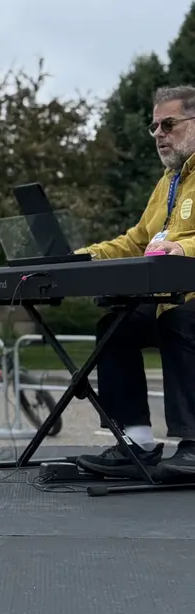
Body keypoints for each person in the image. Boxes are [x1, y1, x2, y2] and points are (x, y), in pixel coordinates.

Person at [76, 86, 195, 481]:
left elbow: (174, 245)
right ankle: (136, 442)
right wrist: (82, 256)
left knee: (178, 321)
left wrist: (182, 248)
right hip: (173, 294)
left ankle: (193, 445)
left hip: (186, 302)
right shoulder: (168, 181)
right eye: (154, 126)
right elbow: (136, 241)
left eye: (168, 124)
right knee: (116, 326)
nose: (159, 134)